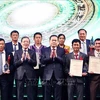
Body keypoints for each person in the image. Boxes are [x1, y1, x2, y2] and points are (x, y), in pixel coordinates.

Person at [41, 35, 65, 100]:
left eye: (55, 40)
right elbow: (42, 61)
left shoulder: (62, 50)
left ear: (57, 42)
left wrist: (56, 57)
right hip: (47, 75)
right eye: (52, 40)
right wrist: (50, 58)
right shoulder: (44, 50)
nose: (54, 42)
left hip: (58, 74)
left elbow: (63, 61)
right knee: (47, 94)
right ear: (49, 41)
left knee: (58, 94)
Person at [5, 30, 22, 100]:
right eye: (13, 35)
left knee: (19, 86)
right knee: (9, 86)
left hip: (19, 68)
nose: (15, 36)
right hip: (10, 68)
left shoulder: (21, 45)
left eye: (16, 35)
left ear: (18, 36)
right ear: (11, 36)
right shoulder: (6, 45)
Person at [30, 32, 46, 100]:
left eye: (39, 37)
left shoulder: (45, 48)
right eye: (36, 37)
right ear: (34, 39)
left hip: (43, 68)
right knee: (34, 86)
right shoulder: (30, 48)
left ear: (41, 38)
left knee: (44, 85)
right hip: (34, 68)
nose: (38, 39)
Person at [78, 29, 91, 100]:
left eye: (83, 34)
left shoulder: (90, 42)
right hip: (78, 64)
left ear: (86, 34)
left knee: (88, 84)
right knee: (79, 84)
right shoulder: (76, 43)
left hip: (89, 65)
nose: (82, 35)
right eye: (80, 34)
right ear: (78, 35)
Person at [58, 34, 70, 100]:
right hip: (58, 68)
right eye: (60, 38)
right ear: (58, 39)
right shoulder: (55, 47)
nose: (61, 39)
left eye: (63, 38)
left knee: (65, 85)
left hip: (66, 67)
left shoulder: (67, 47)